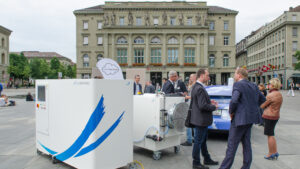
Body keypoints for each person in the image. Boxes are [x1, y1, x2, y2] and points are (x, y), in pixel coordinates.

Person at [219, 68, 266, 169]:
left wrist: (231, 112)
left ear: (239, 75)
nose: (234, 76)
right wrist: (252, 108)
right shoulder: (253, 85)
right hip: (250, 119)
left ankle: (224, 167)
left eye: (235, 74)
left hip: (239, 119)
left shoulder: (238, 84)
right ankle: (246, 166)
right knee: (246, 144)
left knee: (232, 145)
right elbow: (262, 99)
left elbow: (234, 100)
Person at [191, 69, 219, 169]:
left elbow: (199, 102)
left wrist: (209, 101)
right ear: (202, 76)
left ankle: (206, 159)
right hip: (201, 120)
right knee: (198, 141)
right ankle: (196, 163)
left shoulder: (196, 86)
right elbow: (202, 106)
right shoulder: (199, 88)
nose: (209, 78)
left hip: (199, 119)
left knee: (202, 141)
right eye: (207, 75)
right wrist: (213, 107)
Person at [260, 78, 283, 160]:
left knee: (269, 135)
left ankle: (271, 153)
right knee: (271, 134)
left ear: (272, 85)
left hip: (269, 116)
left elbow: (262, 105)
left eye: (269, 84)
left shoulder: (270, 95)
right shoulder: (279, 94)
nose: (268, 86)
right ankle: (275, 151)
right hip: (276, 115)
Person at [181, 73, 196, 146]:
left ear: (194, 78)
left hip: (191, 106)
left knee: (188, 124)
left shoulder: (194, 86)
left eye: (190, 77)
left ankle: (189, 140)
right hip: (193, 107)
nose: (189, 79)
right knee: (194, 124)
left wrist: (186, 97)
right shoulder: (194, 85)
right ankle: (195, 139)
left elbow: (193, 96)